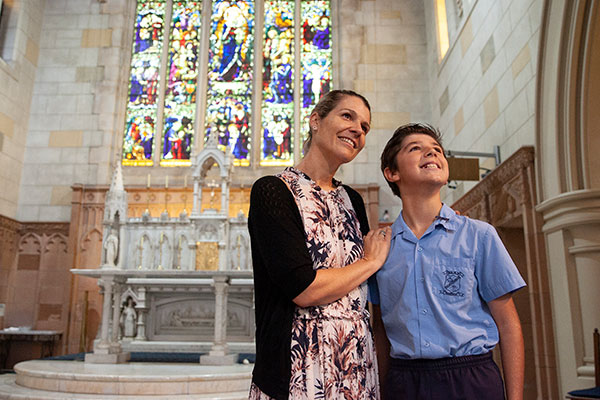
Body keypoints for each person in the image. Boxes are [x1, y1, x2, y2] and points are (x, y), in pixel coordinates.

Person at [248, 89, 392, 400]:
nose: (357, 129)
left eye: (365, 127)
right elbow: (304, 289)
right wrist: (368, 263)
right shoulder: (273, 191)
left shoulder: (351, 199)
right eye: (347, 116)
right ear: (316, 120)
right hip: (300, 364)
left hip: (355, 362)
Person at [370, 123, 526, 400]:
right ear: (392, 173)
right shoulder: (379, 249)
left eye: (437, 150)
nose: (431, 152)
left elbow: (508, 323)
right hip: (404, 381)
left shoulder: (479, 236)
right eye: (416, 148)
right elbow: (380, 328)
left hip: (471, 378)